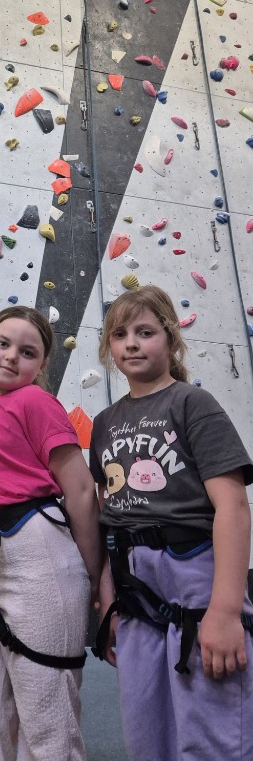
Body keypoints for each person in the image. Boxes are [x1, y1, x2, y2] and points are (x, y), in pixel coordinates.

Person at [90, 285, 253, 761]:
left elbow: (233, 506)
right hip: (133, 585)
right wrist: (108, 605)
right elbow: (107, 520)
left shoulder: (191, 404)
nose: (132, 343)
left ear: (171, 338)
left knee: (212, 730)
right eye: (120, 334)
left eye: (145, 332)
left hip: (193, 574)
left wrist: (225, 612)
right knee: (147, 731)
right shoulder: (104, 422)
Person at [0, 306, 100, 761]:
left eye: (27, 352)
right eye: (3, 343)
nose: (12, 356)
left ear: (42, 364)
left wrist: (96, 576)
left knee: (47, 720)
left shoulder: (35, 402)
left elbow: (80, 490)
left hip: (38, 559)